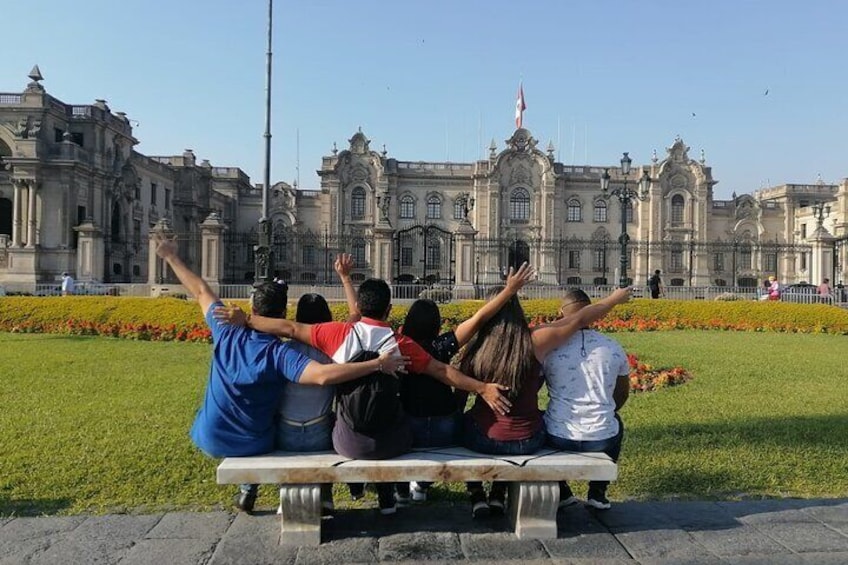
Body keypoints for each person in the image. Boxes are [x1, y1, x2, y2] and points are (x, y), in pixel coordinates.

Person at [153, 234, 409, 513]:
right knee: (331, 420)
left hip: (214, 435)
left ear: (256, 310)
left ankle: (253, 490)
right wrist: (375, 363)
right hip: (279, 438)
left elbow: (201, 290)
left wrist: (170, 256)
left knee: (278, 416)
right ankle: (325, 494)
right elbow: (346, 339)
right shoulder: (291, 353)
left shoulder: (228, 331)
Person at [215, 277, 511, 516]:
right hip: (394, 443)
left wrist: (248, 320)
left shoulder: (337, 334)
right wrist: (482, 387)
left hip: (347, 442)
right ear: (389, 309)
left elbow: (290, 328)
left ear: (358, 305)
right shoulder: (399, 343)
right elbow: (441, 370)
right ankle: (404, 493)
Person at [458, 286, 631, 518]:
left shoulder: (477, 347)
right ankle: (500, 493)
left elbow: (457, 399)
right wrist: (615, 298)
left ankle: (477, 493)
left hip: (485, 438)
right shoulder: (534, 341)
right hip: (528, 440)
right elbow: (579, 320)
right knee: (535, 421)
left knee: (469, 424)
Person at [395, 262, 536, 503]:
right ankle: (433, 486)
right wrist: (509, 291)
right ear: (436, 325)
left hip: (409, 426)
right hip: (444, 426)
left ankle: (401, 490)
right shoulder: (441, 347)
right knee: (467, 425)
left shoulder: (397, 348)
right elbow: (480, 319)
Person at [543, 289, 631, 511]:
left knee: (540, 418)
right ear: (591, 314)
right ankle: (598, 492)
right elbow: (621, 395)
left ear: (561, 313)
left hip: (558, 436)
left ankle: (562, 490)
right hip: (602, 438)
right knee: (616, 422)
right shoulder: (612, 347)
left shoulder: (548, 349)